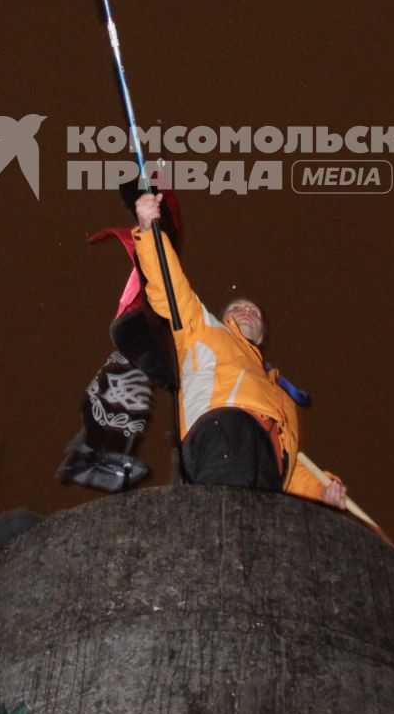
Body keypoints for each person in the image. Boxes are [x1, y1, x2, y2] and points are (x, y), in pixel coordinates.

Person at [132, 191, 347, 509]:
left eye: (254, 312)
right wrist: (150, 231)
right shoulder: (202, 329)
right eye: (237, 308)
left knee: (260, 543)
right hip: (223, 426)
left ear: (262, 334)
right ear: (223, 318)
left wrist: (321, 489)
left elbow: (291, 464)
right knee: (223, 521)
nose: (246, 311)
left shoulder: (280, 393)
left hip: (269, 462)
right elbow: (168, 285)